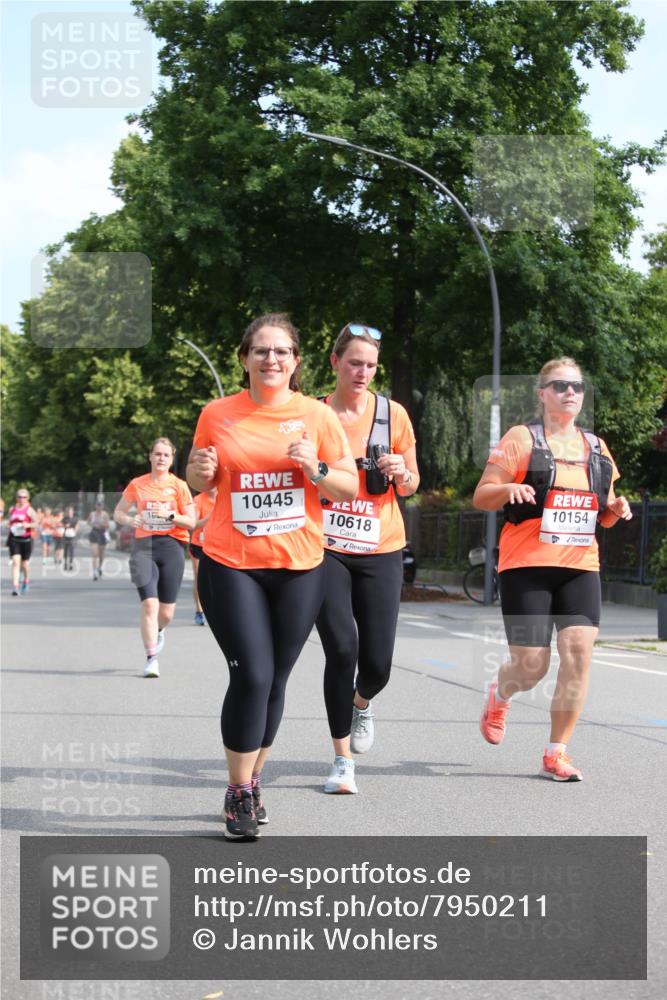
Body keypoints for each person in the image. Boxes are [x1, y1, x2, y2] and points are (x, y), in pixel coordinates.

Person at [187, 312, 357, 840]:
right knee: (253, 675)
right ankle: (237, 790)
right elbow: (198, 477)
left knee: (276, 679)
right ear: (244, 359)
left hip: (300, 566)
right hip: (231, 562)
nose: (271, 359)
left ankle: (254, 778)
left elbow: (348, 486)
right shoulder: (217, 413)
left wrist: (315, 468)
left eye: (281, 351)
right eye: (261, 350)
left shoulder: (317, 416)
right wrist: (198, 472)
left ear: (296, 361)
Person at [473, 357, 632, 781]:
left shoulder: (595, 447)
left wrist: (616, 508)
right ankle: (501, 692)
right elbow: (483, 496)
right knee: (532, 665)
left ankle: (555, 753)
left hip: (580, 565)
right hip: (526, 565)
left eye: (577, 386)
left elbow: (603, 511)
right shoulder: (521, 439)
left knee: (578, 654)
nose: (570, 393)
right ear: (542, 394)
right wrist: (509, 487)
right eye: (560, 386)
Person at [315, 323, 419, 795]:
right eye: (354, 362)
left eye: (371, 365)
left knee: (377, 665)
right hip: (325, 548)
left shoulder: (393, 415)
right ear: (335, 362)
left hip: (381, 547)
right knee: (342, 649)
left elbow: (412, 483)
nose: (362, 372)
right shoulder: (313, 414)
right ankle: (342, 761)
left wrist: (401, 472)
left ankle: (362, 703)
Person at [114, 438, 196, 678]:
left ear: (171, 459)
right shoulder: (137, 484)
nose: (161, 458)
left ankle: (159, 630)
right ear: (150, 456)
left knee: (166, 613)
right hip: (144, 547)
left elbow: (191, 522)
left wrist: (169, 515)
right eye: (157, 454)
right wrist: (130, 520)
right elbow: (118, 512)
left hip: (172, 547)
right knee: (150, 604)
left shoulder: (179, 486)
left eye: (166, 455)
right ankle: (151, 659)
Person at [189, 487, 217, 625]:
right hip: (199, 544)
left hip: (219, 544)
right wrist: (208, 518)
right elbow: (193, 525)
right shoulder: (198, 500)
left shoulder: (225, 497)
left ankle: (217, 610)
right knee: (199, 579)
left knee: (218, 579)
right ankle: (199, 612)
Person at [7, 488, 38, 595]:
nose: (22, 499)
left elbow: (36, 523)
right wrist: (9, 526)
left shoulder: (30, 510)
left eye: (24, 497)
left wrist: (28, 525)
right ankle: (15, 587)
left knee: (24, 564)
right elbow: (9, 522)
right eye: (20, 497)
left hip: (26, 539)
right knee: (16, 562)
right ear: (17, 498)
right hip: (14, 539)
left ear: (27, 498)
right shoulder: (12, 509)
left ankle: (26, 581)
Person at [87, 500, 110, 580]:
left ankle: (100, 567)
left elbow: (107, 525)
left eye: (100, 505)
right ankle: (94, 572)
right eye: (98, 505)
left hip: (102, 533)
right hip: (94, 533)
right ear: (95, 506)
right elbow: (88, 522)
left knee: (101, 554)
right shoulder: (92, 514)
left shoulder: (105, 514)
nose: (99, 507)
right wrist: (92, 524)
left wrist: (101, 525)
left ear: (102, 506)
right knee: (94, 554)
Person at [61, 505, 79, 571]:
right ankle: (65, 563)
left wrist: (75, 531)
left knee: (71, 550)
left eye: (71, 511)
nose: (70, 513)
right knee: (65, 550)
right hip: (66, 536)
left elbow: (77, 525)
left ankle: (71, 563)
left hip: (72, 536)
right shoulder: (65, 518)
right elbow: (61, 524)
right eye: (68, 512)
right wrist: (65, 526)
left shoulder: (75, 518)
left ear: (73, 512)